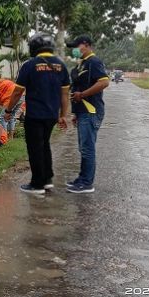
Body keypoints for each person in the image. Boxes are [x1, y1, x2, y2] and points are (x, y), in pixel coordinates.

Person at [4, 33, 71, 195]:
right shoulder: (61, 66)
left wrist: (8, 110)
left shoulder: (30, 65)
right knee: (45, 144)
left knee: (35, 148)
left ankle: (37, 184)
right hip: (51, 116)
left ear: (34, 47)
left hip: (35, 115)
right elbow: (65, 95)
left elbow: (17, 92)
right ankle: (47, 179)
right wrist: (63, 115)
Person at [65, 35, 110, 194]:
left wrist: (83, 95)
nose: (74, 50)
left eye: (76, 46)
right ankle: (82, 179)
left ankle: (87, 183)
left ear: (85, 45)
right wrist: (75, 113)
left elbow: (104, 82)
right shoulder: (81, 64)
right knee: (83, 148)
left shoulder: (94, 62)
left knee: (87, 148)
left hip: (91, 111)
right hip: (83, 112)